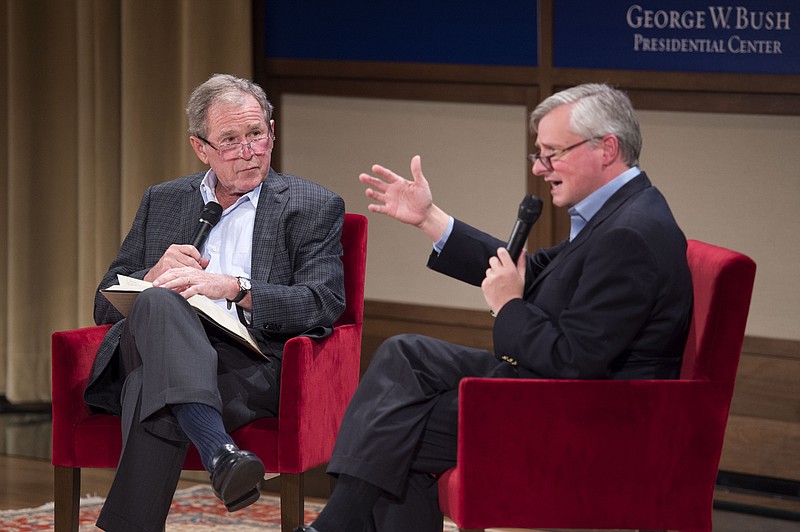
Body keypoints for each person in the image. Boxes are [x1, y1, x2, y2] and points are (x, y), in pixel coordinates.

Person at [295, 83, 693, 532]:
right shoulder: (616, 213)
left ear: (607, 148)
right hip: (554, 390)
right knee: (404, 354)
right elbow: (532, 270)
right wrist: (431, 219)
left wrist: (508, 307)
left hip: (592, 419)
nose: (542, 168)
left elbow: (574, 361)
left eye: (552, 153)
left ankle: (334, 525)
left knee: (394, 429)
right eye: (538, 155)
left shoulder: (630, 235)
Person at [83, 73, 346, 532]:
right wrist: (151, 275)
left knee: (150, 389)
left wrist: (235, 288)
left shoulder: (312, 205)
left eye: (256, 135)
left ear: (271, 132)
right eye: (229, 140)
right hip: (153, 346)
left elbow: (322, 303)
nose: (248, 151)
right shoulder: (162, 201)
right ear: (200, 147)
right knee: (161, 302)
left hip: (246, 365)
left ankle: (203, 461)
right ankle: (221, 452)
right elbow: (103, 305)